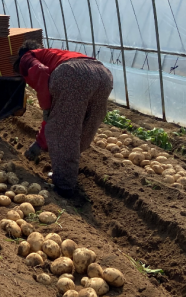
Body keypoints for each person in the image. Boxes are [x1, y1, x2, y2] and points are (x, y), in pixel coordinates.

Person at [13, 40, 113, 199]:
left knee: (64, 132)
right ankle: (66, 171)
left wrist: (46, 108)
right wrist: (40, 143)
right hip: (103, 74)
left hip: (73, 74)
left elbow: (40, 71)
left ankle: (64, 186)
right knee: (86, 126)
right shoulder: (56, 53)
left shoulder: (27, 56)